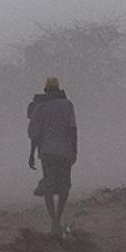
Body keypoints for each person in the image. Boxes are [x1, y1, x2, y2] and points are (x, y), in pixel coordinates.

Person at [28, 77, 77, 236]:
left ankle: (54, 222)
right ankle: (58, 220)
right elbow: (73, 129)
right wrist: (74, 151)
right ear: (58, 89)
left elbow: (35, 135)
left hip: (47, 153)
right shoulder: (68, 105)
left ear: (46, 90)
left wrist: (31, 154)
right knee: (64, 188)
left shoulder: (40, 108)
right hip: (65, 152)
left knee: (49, 188)